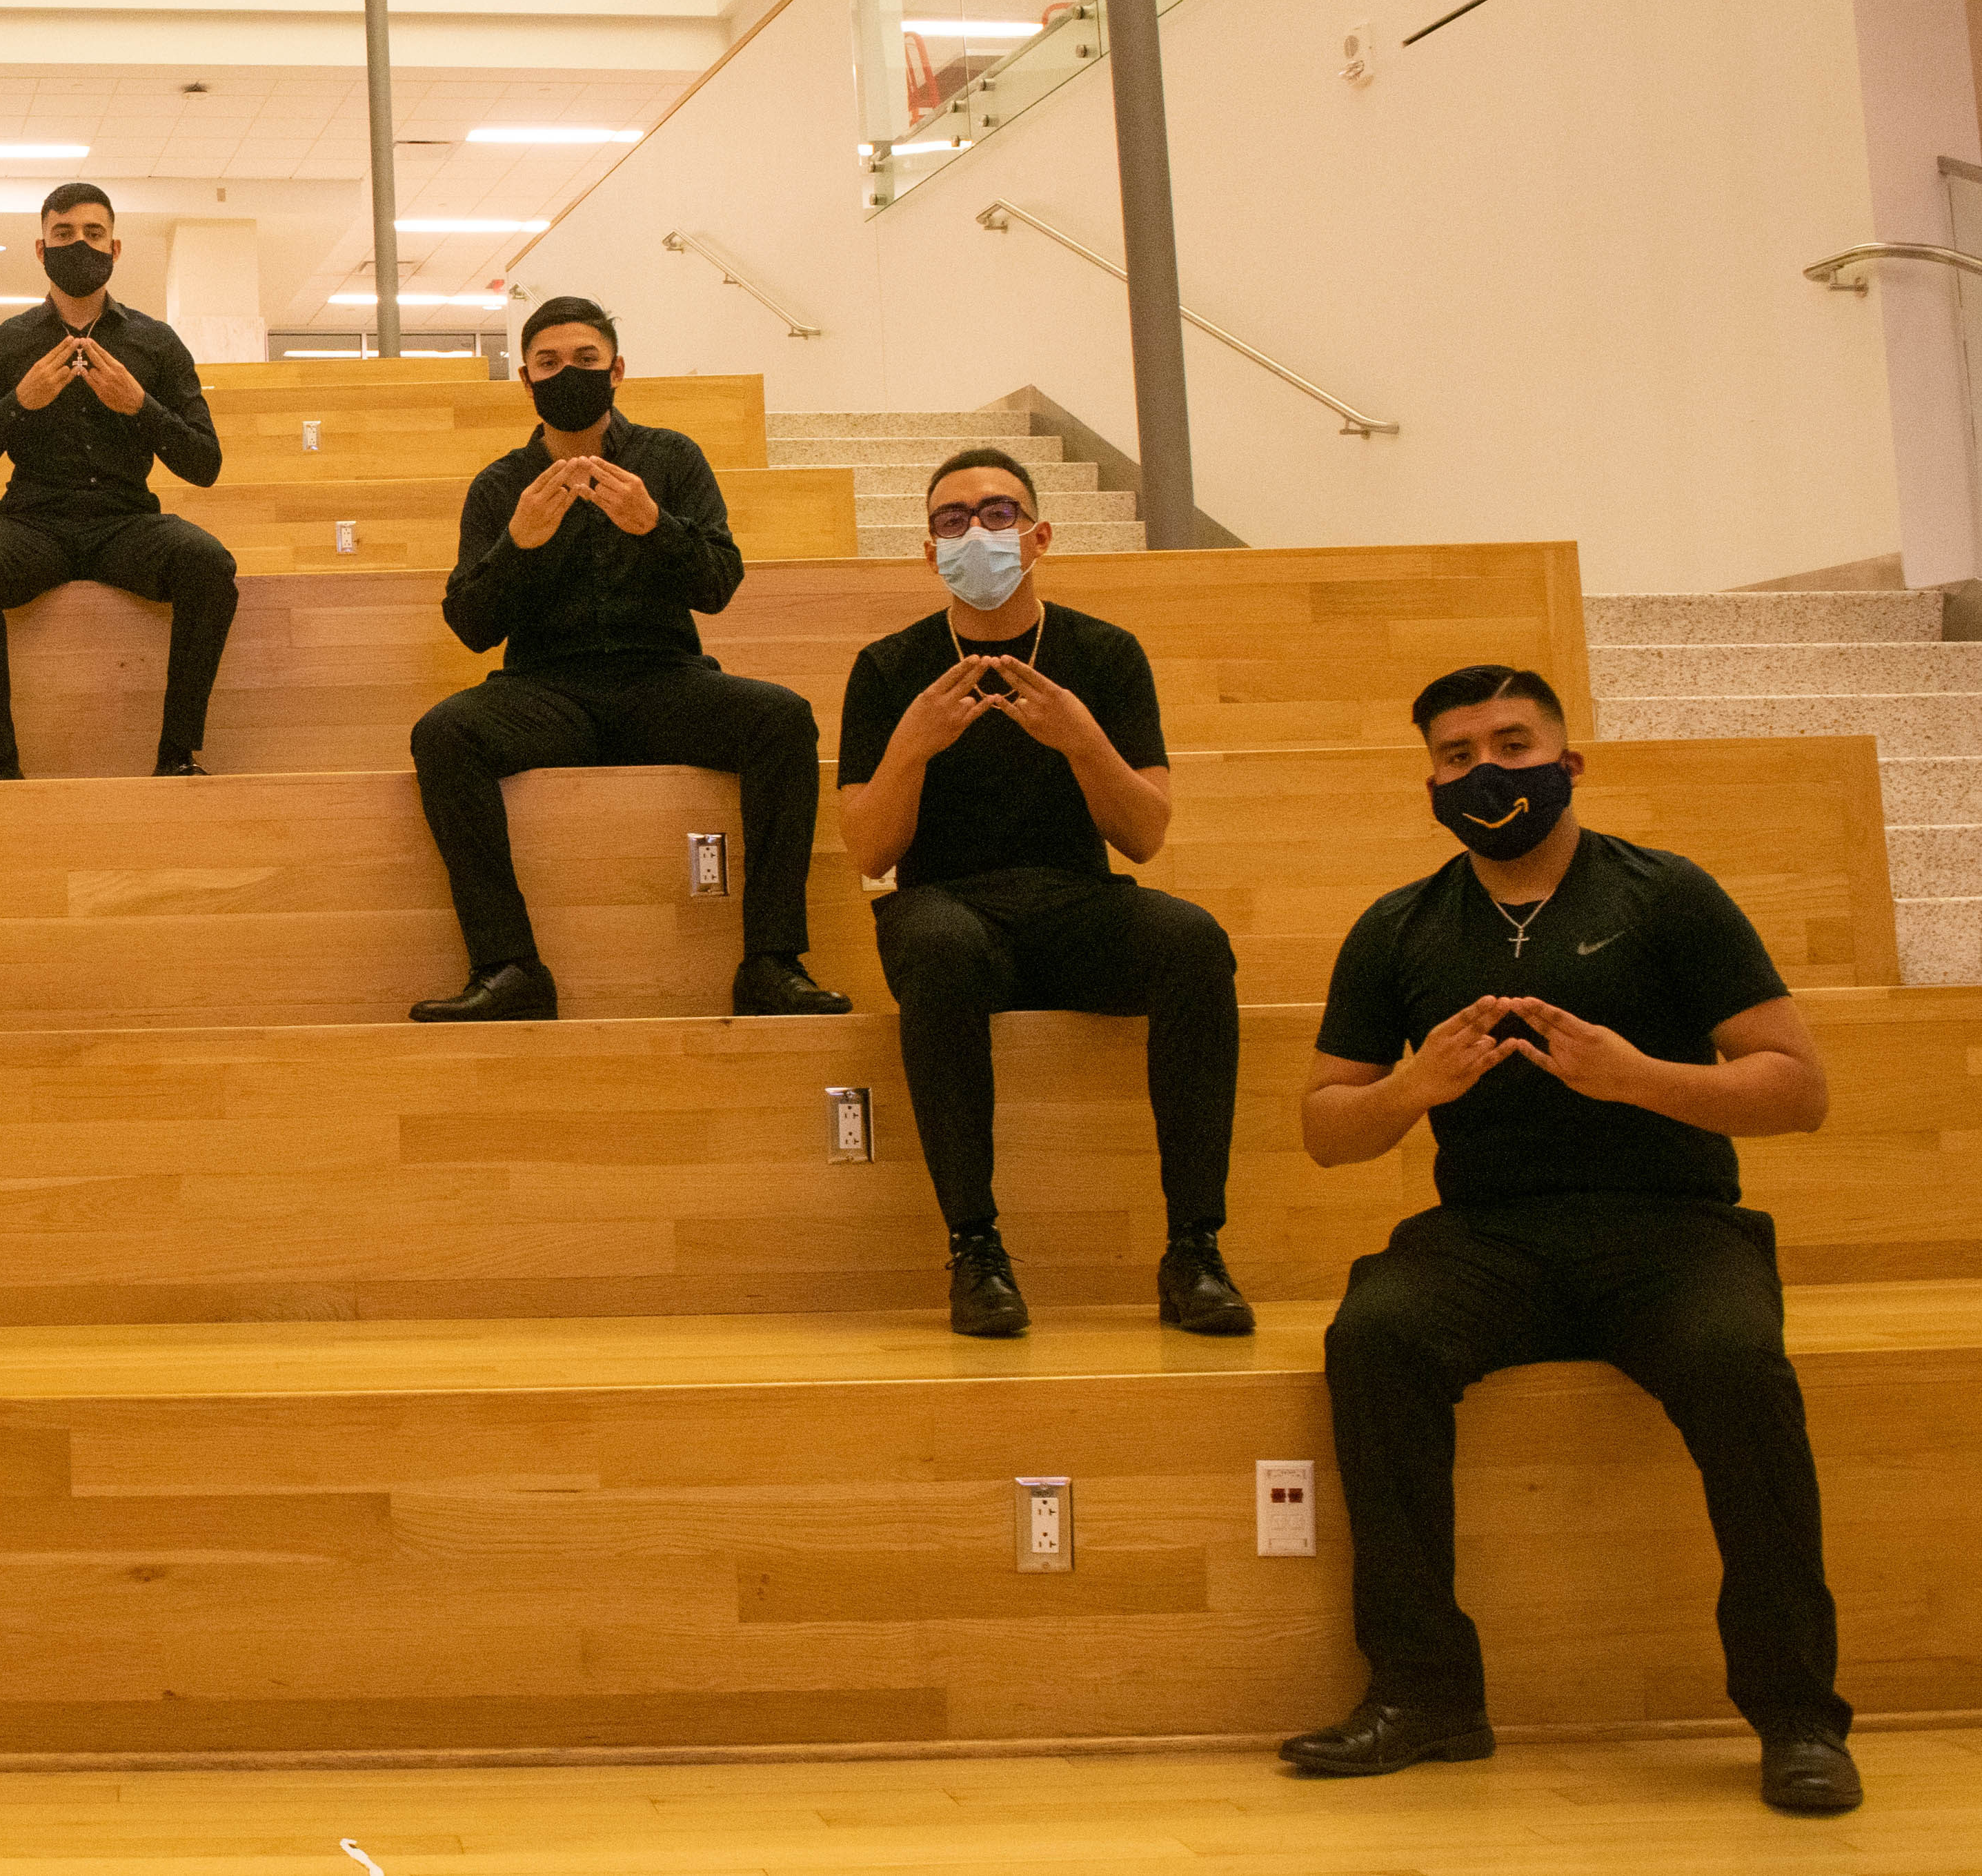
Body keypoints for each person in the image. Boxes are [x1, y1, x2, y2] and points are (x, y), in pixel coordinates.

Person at [1282, 664, 1857, 1814]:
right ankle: (1425, 1694)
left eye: (1511, 744)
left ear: (1567, 761)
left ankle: (1795, 1714)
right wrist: (1412, 1086)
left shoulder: (1667, 895)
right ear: (1429, 782)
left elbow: (1797, 1088)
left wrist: (1637, 1076)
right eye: (1456, 755)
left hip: (1672, 1227)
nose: (1485, 772)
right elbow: (1325, 1129)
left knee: (1740, 1364)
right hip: (1487, 1233)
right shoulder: (1398, 926)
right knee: (1374, 1335)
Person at [836, 446, 1247, 1339]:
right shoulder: (887, 667)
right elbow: (870, 848)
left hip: (1074, 905)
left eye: (997, 513)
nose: (974, 533)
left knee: (1192, 940)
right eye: (951, 521)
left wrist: (1080, 738)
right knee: (936, 944)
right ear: (929, 551)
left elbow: (1143, 833)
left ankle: (1194, 1249)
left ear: (1038, 536)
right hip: (946, 908)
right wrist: (911, 743)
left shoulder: (1102, 653)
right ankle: (974, 1249)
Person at [406, 297, 849, 1021]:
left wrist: (654, 525)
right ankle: (509, 966)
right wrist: (517, 544)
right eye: (549, 363)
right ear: (525, 379)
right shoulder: (500, 485)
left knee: (782, 718)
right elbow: (471, 626)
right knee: (443, 734)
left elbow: (717, 586)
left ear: (616, 371)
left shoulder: (671, 458)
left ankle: (771, 963)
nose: (567, 374)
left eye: (585, 360)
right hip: (546, 690)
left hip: (663, 682)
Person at [0, 181, 236, 778]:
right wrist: (19, 402)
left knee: (210, 565)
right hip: (32, 523)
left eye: (94, 234)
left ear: (115, 248)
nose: (80, 244)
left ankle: (177, 757)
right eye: (64, 233)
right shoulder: (4, 343)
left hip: (127, 523)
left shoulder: (156, 341)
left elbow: (206, 464)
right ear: (41, 249)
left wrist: (140, 405)